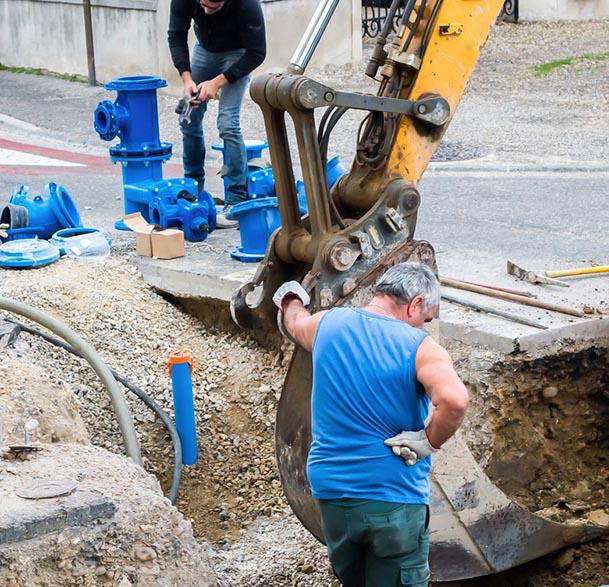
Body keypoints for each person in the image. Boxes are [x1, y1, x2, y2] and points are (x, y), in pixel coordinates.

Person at [274, 262, 469, 586]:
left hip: (332, 496)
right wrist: (428, 442)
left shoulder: (326, 325)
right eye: (426, 318)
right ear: (415, 304)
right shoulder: (419, 348)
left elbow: (295, 323)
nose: (423, 327)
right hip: (392, 498)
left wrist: (290, 296)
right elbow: (455, 400)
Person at [167, 0, 266, 226]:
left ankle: (237, 200)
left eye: (213, 7)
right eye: (202, 4)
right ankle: (193, 188)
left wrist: (217, 82)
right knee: (188, 117)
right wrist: (187, 79)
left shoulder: (247, 4)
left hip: (239, 54)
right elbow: (176, 35)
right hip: (205, 50)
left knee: (228, 123)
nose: (206, 11)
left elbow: (257, 53)